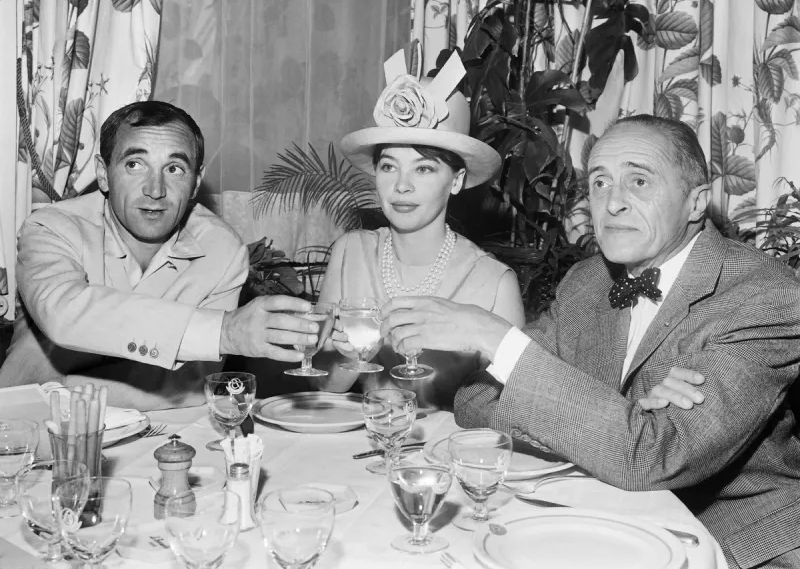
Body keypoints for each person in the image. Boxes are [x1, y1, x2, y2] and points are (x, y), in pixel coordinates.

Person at [382, 114, 800, 569]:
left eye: (639, 180)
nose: (613, 203)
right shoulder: (587, 281)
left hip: (733, 541)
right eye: (599, 183)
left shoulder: (765, 296)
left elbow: (651, 458)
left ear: (696, 202)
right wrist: (624, 420)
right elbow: (475, 400)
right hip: (605, 519)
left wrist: (493, 337)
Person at [0, 101, 320, 409]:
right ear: (102, 172)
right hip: (28, 434)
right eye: (135, 165)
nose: (155, 190)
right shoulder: (50, 229)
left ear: (195, 181)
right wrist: (223, 332)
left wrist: (64, 390)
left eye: (174, 168)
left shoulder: (221, 250)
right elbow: (66, 315)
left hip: (153, 436)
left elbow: (194, 385)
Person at [316, 49, 525, 409]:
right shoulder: (349, 253)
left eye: (424, 169)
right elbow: (326, 390)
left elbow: (514, 412)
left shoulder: (494, 283)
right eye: (389, 167)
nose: (401, 186)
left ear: (457, 180)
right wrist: (348, 357)